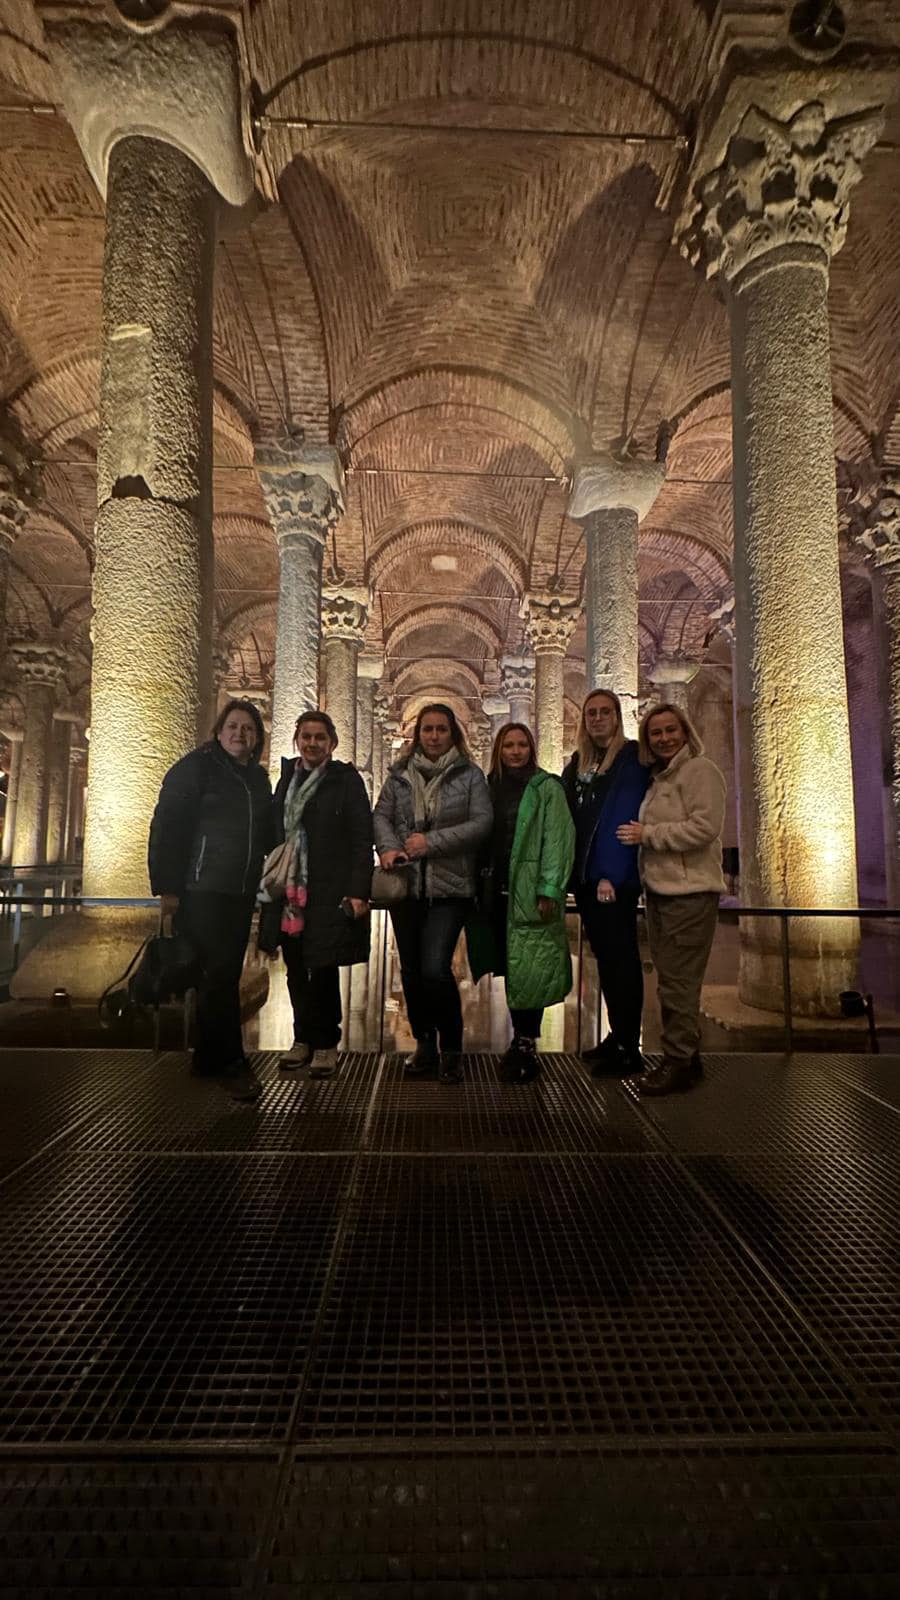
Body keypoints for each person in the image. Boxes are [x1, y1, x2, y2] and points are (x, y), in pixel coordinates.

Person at [148, 699, 273, 1101]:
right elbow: (167, 827)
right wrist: (168, 888)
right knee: (218, 975)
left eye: (248, 728)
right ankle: (232, 1062)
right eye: (233, 726)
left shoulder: (257, 779)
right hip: (202, 890)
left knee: (221, 975)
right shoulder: (195, 768)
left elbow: (267, 831)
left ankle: (205, 1058)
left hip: (239, 891)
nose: (240, 734)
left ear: (257, 738)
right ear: (219, 732)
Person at [374, 702, 491, 1083]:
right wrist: (389, 847)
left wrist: (431, 843)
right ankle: (424, 1043)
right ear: (418, 734)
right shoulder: (399, 776)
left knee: (435, 968)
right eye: (428, 729)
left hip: (450, 888)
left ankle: (452, 1047)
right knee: (410, 970)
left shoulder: (470, 775)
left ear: (453, 733)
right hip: (406, 886)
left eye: (442, 729)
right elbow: (381, 815)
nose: (435, 736)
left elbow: (481, 823)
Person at [617, 702, 726, 1096]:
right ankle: (688, 1058)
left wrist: (648, 835)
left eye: (670, 730)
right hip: (663, 891)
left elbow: (705, 828)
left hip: (690, 892)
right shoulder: (660, 778)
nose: (664, 738)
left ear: (685, 732)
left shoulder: (700, 771)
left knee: (678, 983)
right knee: (670, 980)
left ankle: (677, 1062)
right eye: (656, 733)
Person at [258, 710, 373, 1079]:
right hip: (291, 888)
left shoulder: (346, 781)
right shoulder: (286, 780)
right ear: (297, 741)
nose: (312, 743)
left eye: (319, 737)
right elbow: (274, 829)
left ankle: (326, 1042)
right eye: (306, 737)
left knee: (323, 967)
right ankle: (302, 1038)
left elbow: (362, 838)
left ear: (332, 743)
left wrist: (357, 889)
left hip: (329, 886)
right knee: (295, 966)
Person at [471, 723, 575, 1082]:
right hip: (494, 890)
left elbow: (557, 839)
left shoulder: (546, 788)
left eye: (521, 745)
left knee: (529, 967)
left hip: (529, 891)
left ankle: (526, 1041)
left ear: (531, 749)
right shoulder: (487, 788)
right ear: (498, 750)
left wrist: (549, 887)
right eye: (508, 746)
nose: (515, 752)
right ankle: (520, 1036)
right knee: (512, 964)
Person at [561, 690, 650, 1076]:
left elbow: (622, 817)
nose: (597, 718)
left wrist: (609, 875)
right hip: (586, 879)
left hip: (611, 881)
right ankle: (618, 1036)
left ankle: (630, 1047)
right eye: (591, 713)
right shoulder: (580, 762)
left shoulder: (630, 759)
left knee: (622, 961)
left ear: (617, 716)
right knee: (607, 961)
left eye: (605, 712)